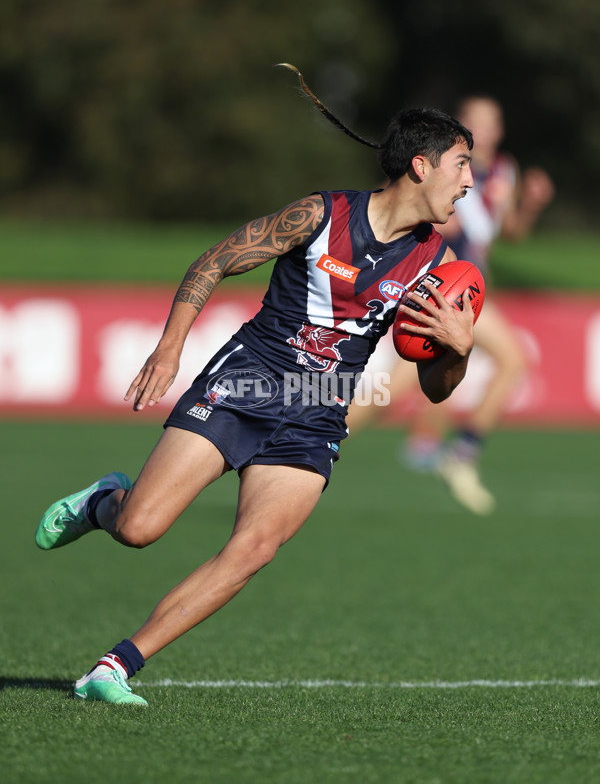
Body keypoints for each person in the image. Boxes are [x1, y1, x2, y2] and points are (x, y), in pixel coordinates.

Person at [35, 66, 476, 706]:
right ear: (419, 165)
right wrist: (170, 346)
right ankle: (106, 501)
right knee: (139, 529)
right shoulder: (320, 216)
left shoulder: (437, 264)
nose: (469, 181)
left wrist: (456, 352)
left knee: (253, 550)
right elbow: (213, 261)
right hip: (249, 382)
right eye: (461, 165)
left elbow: (437, 388)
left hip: (319, 413)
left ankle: (114, 667)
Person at [349, 96, 554, 516]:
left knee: (511, 361)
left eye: (491, 122)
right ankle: (309, 437)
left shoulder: (504, 171)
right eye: (475, 121)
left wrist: (531, 205)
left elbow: (508, 233)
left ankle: (458, 453)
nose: (485, 129)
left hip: (470, 296)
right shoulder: (446, 170)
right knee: (394, 391)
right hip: (441, 291)